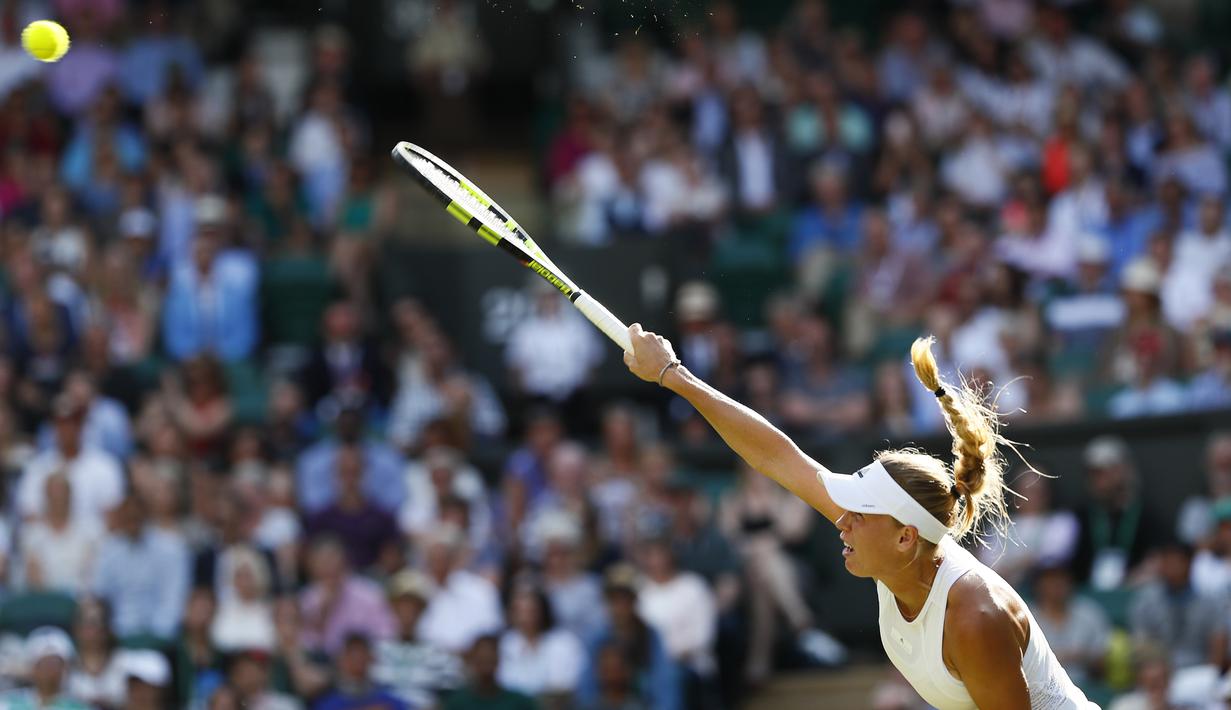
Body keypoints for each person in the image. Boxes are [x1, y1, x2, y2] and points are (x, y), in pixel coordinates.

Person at [621, 324, 1096, 708]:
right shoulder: (897, 543)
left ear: (905, 537)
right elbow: (777, 456)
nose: (843, 521)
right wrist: (673, 375)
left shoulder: (974, 617)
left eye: (860, 514)